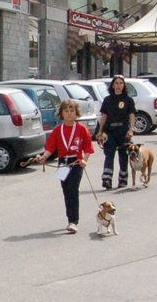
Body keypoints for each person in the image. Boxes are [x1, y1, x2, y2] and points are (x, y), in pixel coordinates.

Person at [41, 98, 95, 232]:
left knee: (73, 189)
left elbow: (88, 147)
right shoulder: (58, 130)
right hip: (62, 164)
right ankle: (69, 219)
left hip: (76, 162)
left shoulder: (81, 129)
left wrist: (85, 160)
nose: (69, 113)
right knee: (66, 192)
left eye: (72, 110)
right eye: (66, 111)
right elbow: (50, 147)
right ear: (62, 114)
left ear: (76, 113)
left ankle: (73, 221)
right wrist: (44, 157)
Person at [96, 75, 137, 190]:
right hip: (110, 131)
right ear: (113, 85)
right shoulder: (108, 100)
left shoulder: (128, 100)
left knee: (123, 155)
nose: (119, 86)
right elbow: (104, 115)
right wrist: (100, 131)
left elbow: (132, 115)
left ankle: (123, 179)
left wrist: (131, 129)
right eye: (117, 83)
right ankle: (107, 179)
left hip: (123, 130)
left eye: (121, 83)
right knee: (109, 154)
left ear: (124, 86)